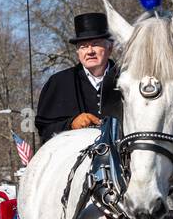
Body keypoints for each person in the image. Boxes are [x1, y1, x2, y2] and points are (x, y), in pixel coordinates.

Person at [34, 11, 120, 146]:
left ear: (110, 47)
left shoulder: (128, 79)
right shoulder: (58, 83)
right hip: (74, 161)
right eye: (84, 46)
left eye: (96, 44)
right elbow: (45, 130)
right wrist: (71, 123)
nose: (90, 51)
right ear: (78, 52)